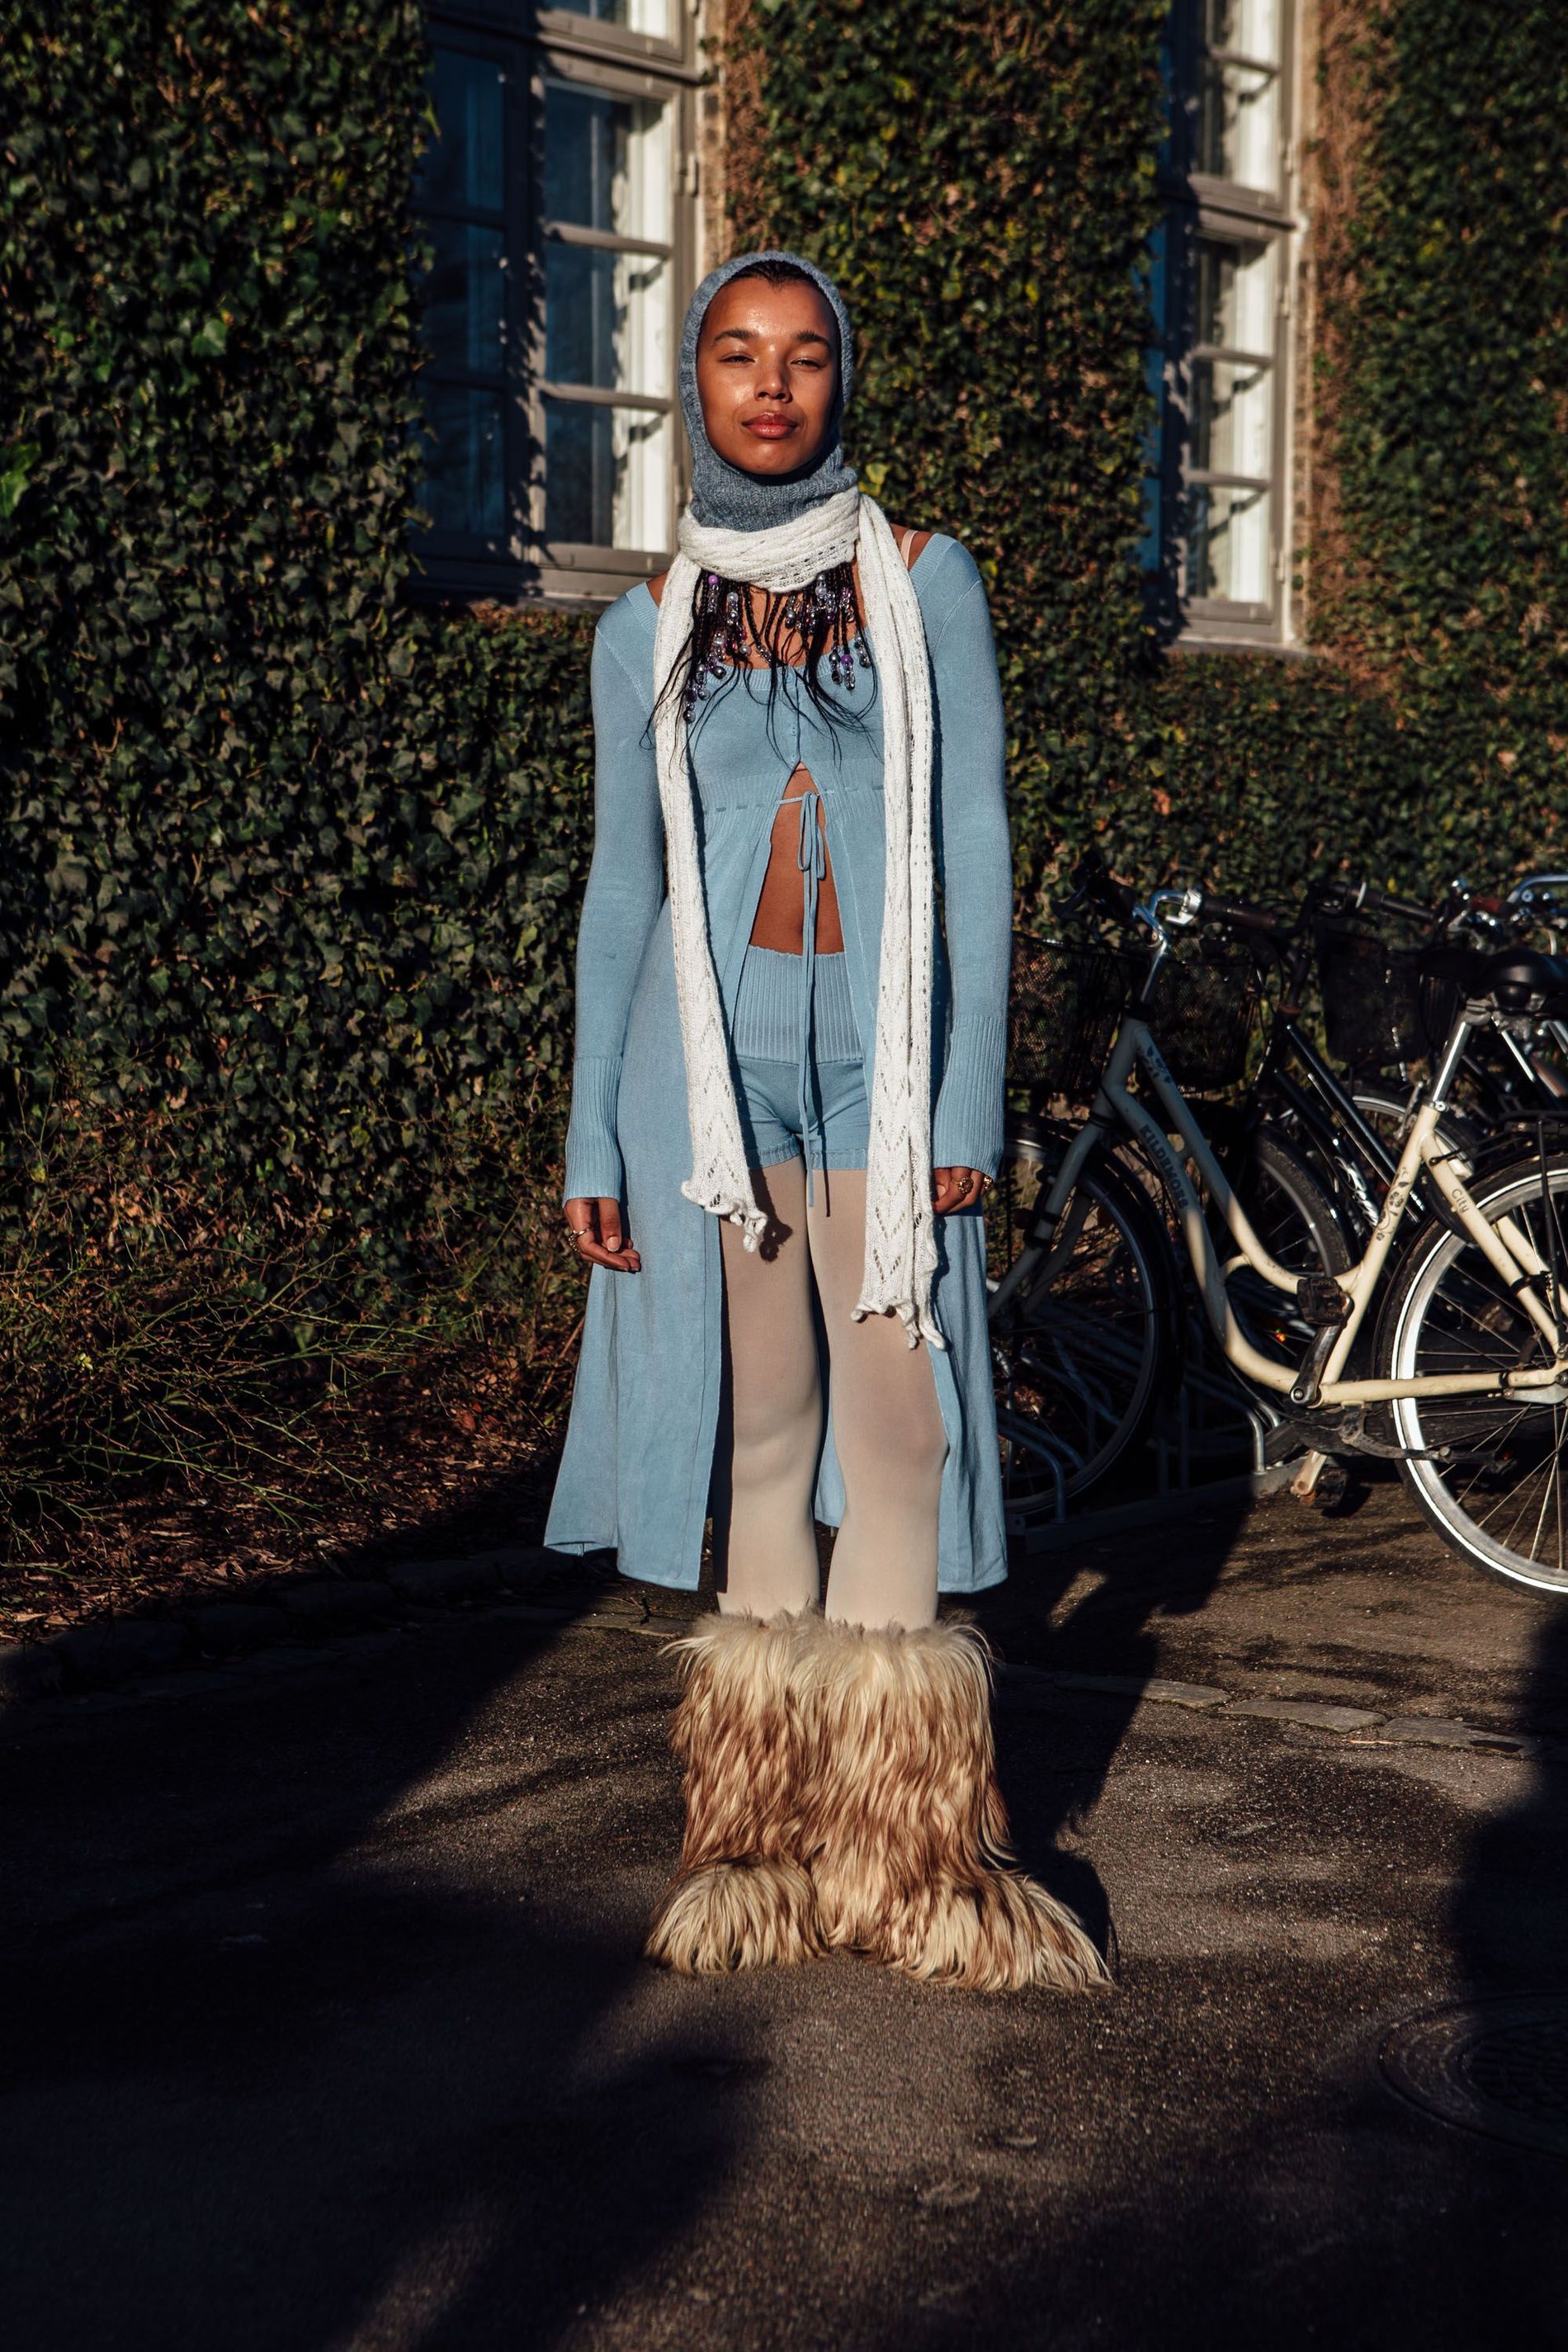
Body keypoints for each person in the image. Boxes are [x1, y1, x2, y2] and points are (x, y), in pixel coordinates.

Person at [545, 248, 1104, 1993]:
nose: (769, 386)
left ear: (836, 382)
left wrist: (967, 1095)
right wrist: (586, 1138)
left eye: (799, 359)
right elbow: (618, 894)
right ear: (693, 385)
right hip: (698, 1079)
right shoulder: (642, 626)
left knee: (903, 1430)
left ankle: (910, 1855)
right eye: (735, 355)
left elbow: (979, 847)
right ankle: (757, 1852)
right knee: (766, 1436)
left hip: (881, 1057)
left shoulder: (925, 582)